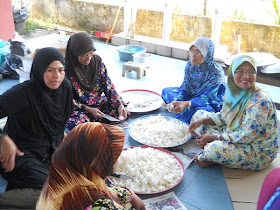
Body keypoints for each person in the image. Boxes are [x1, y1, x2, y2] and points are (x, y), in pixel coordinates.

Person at [0, 47, 73, 207]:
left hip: (49, 150)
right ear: (39, 70)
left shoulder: (65, 88)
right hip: (19, 155)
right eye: (50, 70)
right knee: (56, 192)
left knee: (82, 177)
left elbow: (58, 121)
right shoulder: (23, 93)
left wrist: (61, 136)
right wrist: (3, 140)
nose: (57, 76)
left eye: (61, 70)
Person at [188, 54, 279, 170]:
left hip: (256, 149)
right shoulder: (233, 91)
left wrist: (213, 138)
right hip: (233, 133)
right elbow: (223, 117)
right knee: (198, 115)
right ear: (232, 73)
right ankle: (215, 149)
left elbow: (246, 136)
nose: (246, 76)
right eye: (239, 71)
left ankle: (213, 154)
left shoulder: (260, 101)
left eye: (251, 71)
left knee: (214, 149)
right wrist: (202, 121)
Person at [36, 122, 146, 210]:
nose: (118, 159)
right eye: (116, 156)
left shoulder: (61, 179)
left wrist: (130, 194)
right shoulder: (103, 205)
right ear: (102, 163)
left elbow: (103, 190)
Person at [65, 31, 127, 130]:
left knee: (121, 110)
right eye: (84, 55)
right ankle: (93, 124)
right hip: (79, 109)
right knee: (77, 124)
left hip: (98, 105)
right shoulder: (66, 69)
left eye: (91, 53)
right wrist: (88, 109)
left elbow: (108, 86)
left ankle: (95, 124)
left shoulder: (97, 62)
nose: (88, 58)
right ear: (75, 54)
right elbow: (65, 99)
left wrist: (119, 104)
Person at [161, 37, 225, 123]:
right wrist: (179, 101)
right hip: (192, 96)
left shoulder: (216, 72)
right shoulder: (190, 66)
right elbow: (185, 86)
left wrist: (187, 103)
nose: (193, 55)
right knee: (166, 91)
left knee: (195, 112)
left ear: (207, 54)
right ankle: (184, 110)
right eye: (192, 51)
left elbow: (207, 98)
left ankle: (186, 114)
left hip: (210, 102)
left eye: (198, 52)